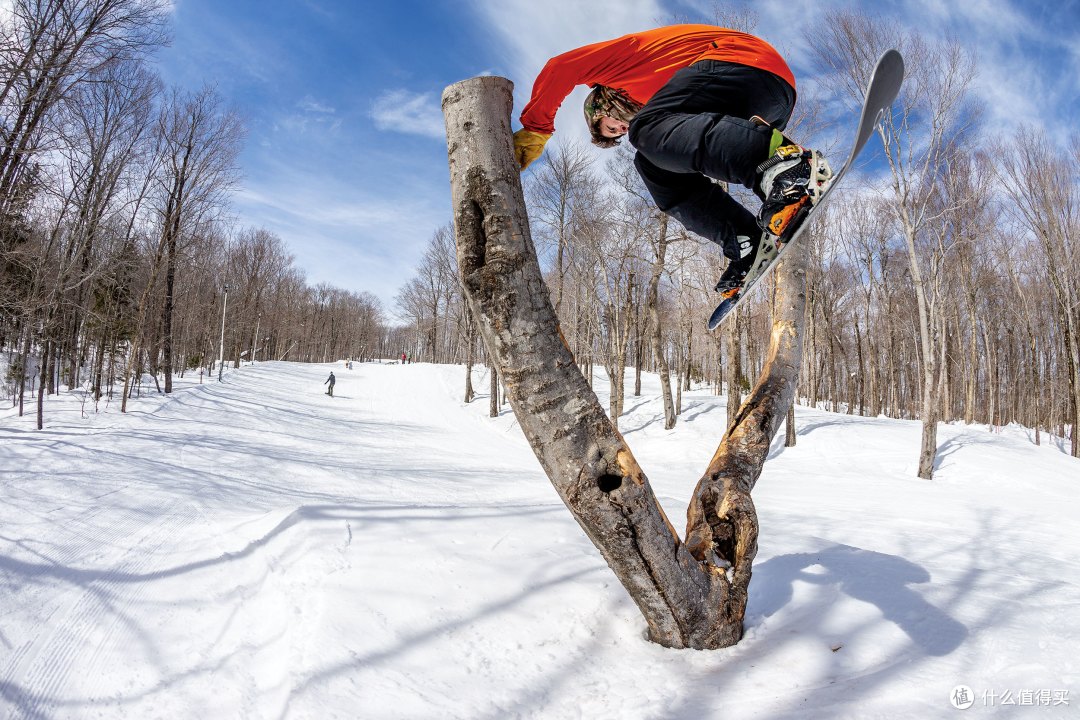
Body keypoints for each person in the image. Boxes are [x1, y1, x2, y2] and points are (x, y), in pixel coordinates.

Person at [512, 24, 830, 296]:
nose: (621, 128)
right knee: (652, 163)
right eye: (616, 133)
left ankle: (786, 166)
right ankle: (745, 240)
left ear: (601, 104)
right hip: (763, 99)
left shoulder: (615, 70)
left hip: (744, 63)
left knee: (646, 131)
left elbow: (560, 67)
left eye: (612, 126)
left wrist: (536, 130)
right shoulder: (667, 102)